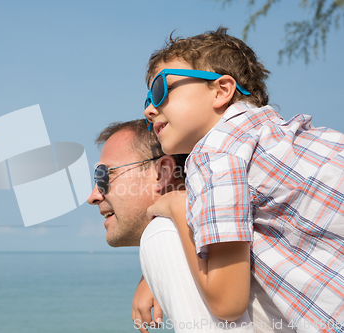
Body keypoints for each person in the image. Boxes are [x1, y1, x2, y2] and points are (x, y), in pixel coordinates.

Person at [142, 27, 344, 332]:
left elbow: (228, 303)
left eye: (159, 90)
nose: (148, 109)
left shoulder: (214, 153)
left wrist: (176, 207)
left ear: (221, 90)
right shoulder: (279, 138)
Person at [88, 119, 293, 333]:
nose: (93, 196)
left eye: (104, 175)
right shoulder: (221, 223)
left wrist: (161, 248)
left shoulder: (164, 233)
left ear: (162, 172)